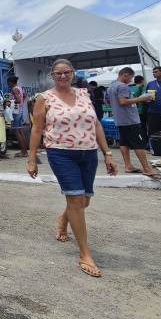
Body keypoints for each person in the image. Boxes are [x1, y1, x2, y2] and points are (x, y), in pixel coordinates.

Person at [27, 59, 117, 278]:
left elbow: (96, 124)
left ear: (73, 73)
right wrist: (31, 159)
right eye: (58, 73)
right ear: (52, 76)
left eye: (67, 72)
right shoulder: (44, 98)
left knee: (83, 200)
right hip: (61, 153)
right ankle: (84, 253)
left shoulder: (84, 94)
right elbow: (37, 130)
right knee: (75, 200)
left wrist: (107, 154)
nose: (63, 76)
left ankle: (63, 219)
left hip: (88, 153)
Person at [107, 67, 161, 179]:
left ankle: (128, 165)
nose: (130, 80)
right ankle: (147, 169)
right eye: (131, 78)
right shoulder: (122, 86)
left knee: (124, 142)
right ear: (126, 75)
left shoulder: (111, 86)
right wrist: (141, 99)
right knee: (138, 143)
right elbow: (123, 101)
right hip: (129, 119)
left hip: (120, 118)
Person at [7, 76, 29, 158]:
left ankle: (23, 151)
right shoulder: (19, 88)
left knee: (16, 132)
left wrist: (10, 102)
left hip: (15, 113)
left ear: (10, 82)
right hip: (20, 111)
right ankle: (24, 151)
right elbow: (23, 97)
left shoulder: (14, 89)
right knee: (21, 132)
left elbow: (18, 100)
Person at [129, 75, 149, 145]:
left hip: (132, 111)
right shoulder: (143, 88)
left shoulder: (130, 89)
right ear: (142, 81)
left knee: (135, 127)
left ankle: (136, 141)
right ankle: (144, 141)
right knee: (143, 127)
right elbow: (146, 98)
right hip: (141, 111)